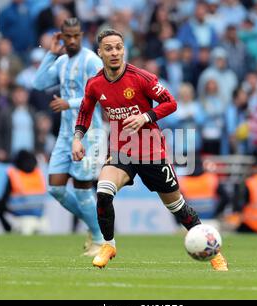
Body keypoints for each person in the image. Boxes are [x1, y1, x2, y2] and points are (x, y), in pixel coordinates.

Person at [72, 29, 229, 271]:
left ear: (124, 50)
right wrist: (77, 138)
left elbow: (171, 103)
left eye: (118, 47)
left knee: (177, 206)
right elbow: (85, 111)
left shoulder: (141, 77)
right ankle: (108, 244)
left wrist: (146, 116)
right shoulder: (95, 84)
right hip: (121, 150)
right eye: (109, 48)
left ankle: (214, 253)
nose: (114, 52)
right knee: (103, 191)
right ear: (100, 53)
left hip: (151, 151)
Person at [33, 17, 105, 256]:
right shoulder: (62, 61)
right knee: (55, 188)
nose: (72, 40)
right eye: (68, 36)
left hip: (88, 134)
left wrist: (69, 103)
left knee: (83, 188)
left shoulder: (92, 61)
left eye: (76, 35)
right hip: (65, 135)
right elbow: (39, 83)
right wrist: (50, 54)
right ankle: (94, 225)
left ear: (81, 35)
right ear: (61, 37)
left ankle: (99, 239)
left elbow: (101, 94)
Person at [0, 150, 47, 235]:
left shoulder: (14, 173)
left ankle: (8, 229)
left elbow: (4, 198)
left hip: (19, 210)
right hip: (39, 211)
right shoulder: (38, 173)